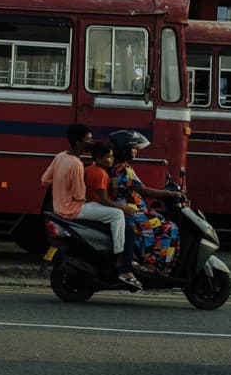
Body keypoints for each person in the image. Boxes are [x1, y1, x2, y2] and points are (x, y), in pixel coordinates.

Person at [40, 123, 138, 289]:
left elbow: (45, 180)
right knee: (117, 215)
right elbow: (79, 195)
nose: (91, 143)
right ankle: (120, 256)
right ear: (78, 143)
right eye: (88, 140)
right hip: (74, 208)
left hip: (58, 207)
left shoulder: (60, 156)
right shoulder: (77, 164)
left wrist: (62, 185)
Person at [109, 130, 181, 274]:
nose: (136, 151)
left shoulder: (117, 167)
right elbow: (144, 191)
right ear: (125, 150)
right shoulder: (123, 170)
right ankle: (151, 264)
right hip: (131, 211)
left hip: (130, 209)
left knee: (159, 221)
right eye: (133, 148)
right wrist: (170, 194)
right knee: (169, 227)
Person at [84, 141, 142, 289]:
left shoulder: (92, 169)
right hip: (98, 206)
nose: (111, 159)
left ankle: (128, 260)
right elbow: (104, 200)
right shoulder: (102, 174)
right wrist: (124, 208)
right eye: (108, 157)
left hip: (93, 205)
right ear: (99, 159)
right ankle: (123, 262)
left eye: (112, 156)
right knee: (128, 226)